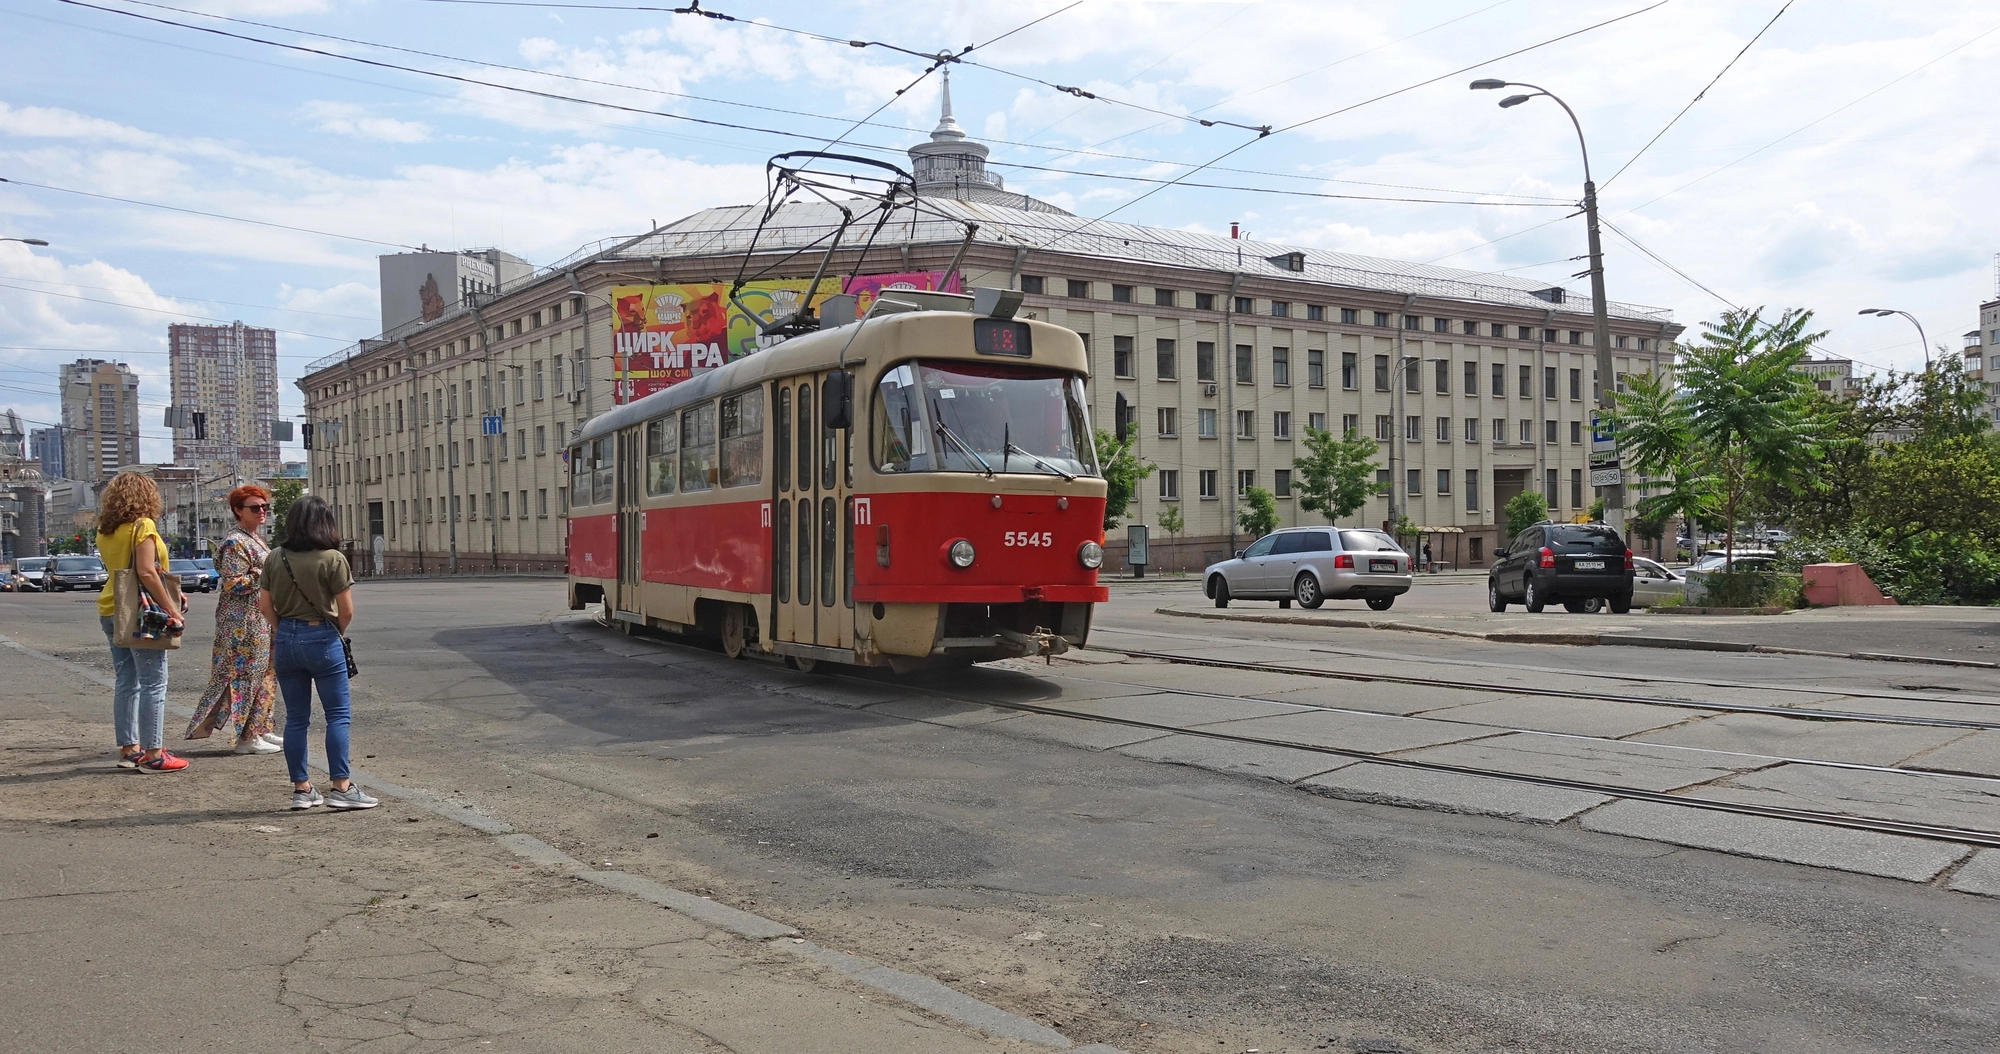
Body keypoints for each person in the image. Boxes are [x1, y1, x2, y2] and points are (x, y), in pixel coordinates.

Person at [257, 495, 377, 810]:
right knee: (337, 715)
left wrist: (282, 628)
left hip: (285, 639)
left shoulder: (275, 557)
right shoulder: (332, 558)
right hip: (322, 637)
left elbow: (264, 605)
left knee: (296, 718)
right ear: (325, 523)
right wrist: (335, 630)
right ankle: (341, 787)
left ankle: (302, 789)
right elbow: (346, 611)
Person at [96, 472, 188, 773]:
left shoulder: (105, 529)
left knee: (126, 681)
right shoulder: (143, 526)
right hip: (140, 612)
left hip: (111, 608)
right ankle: (154, 753)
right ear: (147, 496)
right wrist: (171, 608)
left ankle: (129, 749)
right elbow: (147, 572)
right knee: (154, 682)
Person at [185, 484, 282, 754]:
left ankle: (260, 728)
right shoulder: (234, 541)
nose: (261, 511)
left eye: (264, 507)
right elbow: (233, 584)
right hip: (242, 623)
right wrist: (265, 572)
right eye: (254, 507)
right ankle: (246, 739)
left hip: (259, 617)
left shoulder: (254, 537)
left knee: (265, 674)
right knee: (247, 677)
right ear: (238, 511)